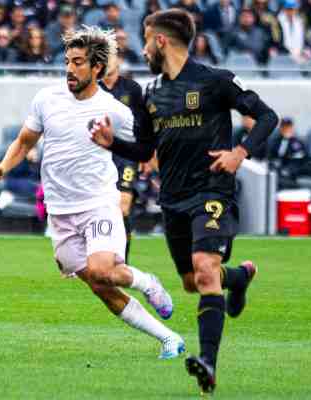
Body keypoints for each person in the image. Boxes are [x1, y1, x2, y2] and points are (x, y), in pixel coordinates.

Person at [90, 9, 278, 393]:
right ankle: (238, 278)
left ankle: (207, 363)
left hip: (212, 192)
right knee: (194, 282)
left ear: (161, 40)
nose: (142, 50)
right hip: (173, 200)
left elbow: (267, 117)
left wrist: (239, 153)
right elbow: (145, 149)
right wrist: (115, 144)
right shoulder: (151, 93)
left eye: (145, 40)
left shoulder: (215, 81)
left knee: (204, 269)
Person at [0, 26, 185, 360]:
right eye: (68, 62)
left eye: (78, 63)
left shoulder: (113, 109)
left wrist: (163, 166)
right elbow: (25, 141)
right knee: (101, 287)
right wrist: (2, 167)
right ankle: (168, 338)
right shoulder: (46, 98)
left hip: (98, 205)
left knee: (103, 270)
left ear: (96, 68)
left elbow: (148, 144)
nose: (70, 69)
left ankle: (147, 282)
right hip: (60, 214)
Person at [99, 53, 143, 262]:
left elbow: (144, 123)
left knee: (123, 204)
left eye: (112, 58)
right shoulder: (94, 89)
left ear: (118, 62)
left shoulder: (131, 89)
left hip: (126, 154)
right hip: (99, 154)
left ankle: (122, 260)